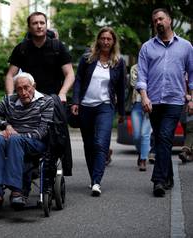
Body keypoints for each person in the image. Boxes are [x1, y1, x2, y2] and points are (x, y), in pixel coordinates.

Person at [136, 8, 193, 197]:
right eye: (155, 21)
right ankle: (168, 176)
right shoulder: (147, 47)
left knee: (165, 137)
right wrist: (144, 97)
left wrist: (191, 98)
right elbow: (141, 75)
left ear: (170, 20)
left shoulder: (186, 47)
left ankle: (158, 180)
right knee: (162, 140)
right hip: (153, 101)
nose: (158, 22)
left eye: (161, 19)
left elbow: (192, 74)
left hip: (175, 100)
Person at [0, 72, 54, 208]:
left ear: (34, 86)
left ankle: (17, 191)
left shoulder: (46, 101)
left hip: (35, 142)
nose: (23, 92)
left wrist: (19, 137)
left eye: (26, 87)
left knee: (14, 140)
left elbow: (43, 131)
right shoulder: (9, 101)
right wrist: (5, 125)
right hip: (13, 137)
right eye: (19, 89)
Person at [70, 27, 126, 196]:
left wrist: (122, 112)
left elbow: (121, 88)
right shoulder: (87, 58)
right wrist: (76, 101)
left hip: (105, 106)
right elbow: (78, 79)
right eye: (103, 38)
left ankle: (96, 181)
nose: (106, 42)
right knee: (88, 145)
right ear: (98, 40)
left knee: (100, 143)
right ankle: (92, 177)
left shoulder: (118, 62)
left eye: (109, 39)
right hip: (86, 106)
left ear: (113, 42)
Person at [5, 11, 74, 102]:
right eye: (35, 23)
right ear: (29, 27)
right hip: (29, 100)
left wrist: (62, 93)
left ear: (46, 25)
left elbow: (69, 74)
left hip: (54, 99)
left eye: (42, 23)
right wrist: (10, 95)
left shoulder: (57, 46)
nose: (39, 26)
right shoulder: (22, 48)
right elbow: (10, 75)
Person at [130, 64, 152, 171]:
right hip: (137, 104)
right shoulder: (135, 68)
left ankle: (143, 159)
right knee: (136, 135)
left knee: (145, 133)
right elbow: (134, 83)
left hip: (151, 104)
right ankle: (141, 152)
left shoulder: (156, 66)